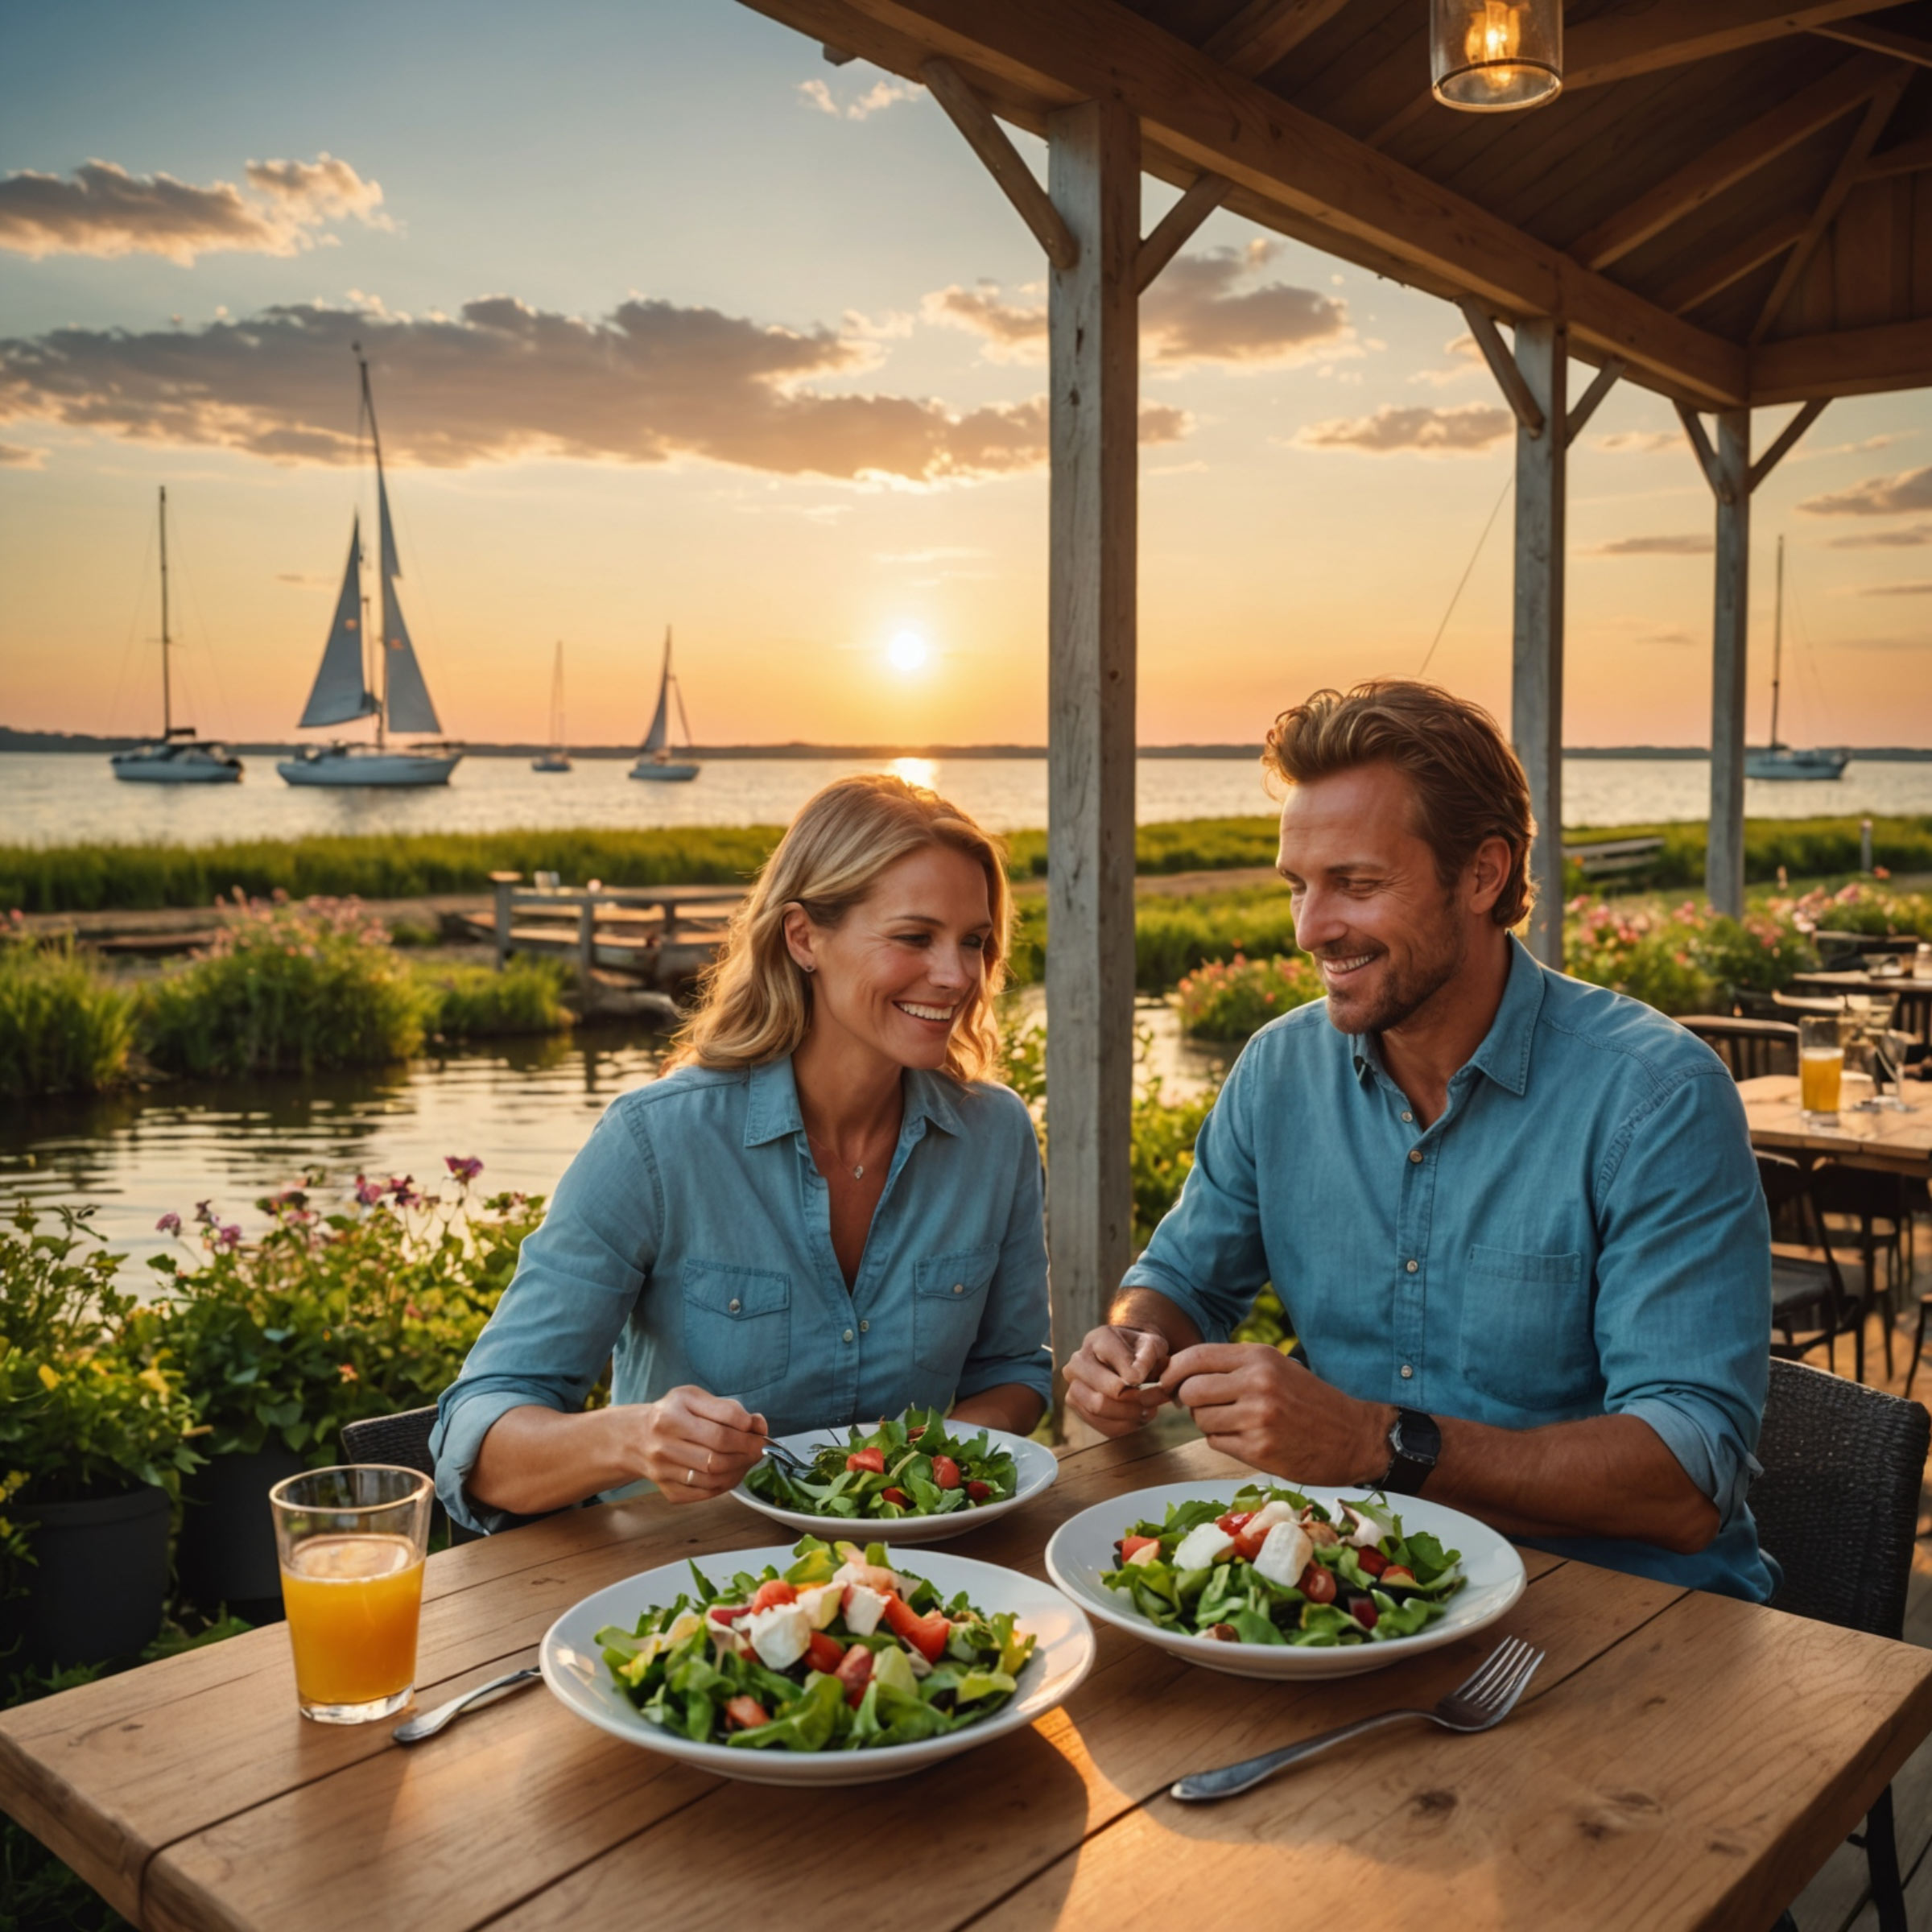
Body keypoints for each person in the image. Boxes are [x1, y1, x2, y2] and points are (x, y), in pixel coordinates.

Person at [1066, 679, 1776, 1601]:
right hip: (1362, 1598)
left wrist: (1374, 1443)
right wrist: (1130, 1349)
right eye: (1298, 886)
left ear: (1483, 874)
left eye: (1356, 885)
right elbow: (1180, 1284)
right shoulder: (1278, 1071)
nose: (1312, 928)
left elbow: (1687, 1480)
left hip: (1633, 1618)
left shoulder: (1656, 1099)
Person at [433, 774, 1051, 1534]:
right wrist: (633, 1436)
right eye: (915, 937)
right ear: (804, 938)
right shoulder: (655, 1142)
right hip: (679, 1601)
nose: (957, 976)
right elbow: (478, 1437)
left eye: (974, 942)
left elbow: (1015, 1373)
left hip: (913, 1589)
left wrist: (905, 1473)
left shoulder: (996, 1136)